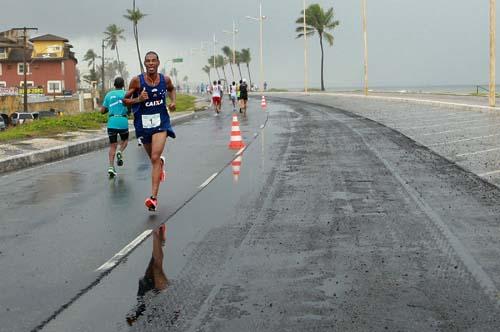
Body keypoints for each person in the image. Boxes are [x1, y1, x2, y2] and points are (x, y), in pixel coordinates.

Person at [123, 51, 176, 212]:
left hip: (161, 122)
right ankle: (160, 164)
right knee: (153, 160)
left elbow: (172, 89)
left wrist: (173, 101)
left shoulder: (165, 80)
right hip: (143, 123)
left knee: (154, 156)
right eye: (148, 61)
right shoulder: (136, 81)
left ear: (158, 62)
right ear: (145, 64)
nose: (151, 63)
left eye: (154, 61)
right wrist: (138, 99)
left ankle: (153, 198)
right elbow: (125, 100)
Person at [100, 77, 129, 178]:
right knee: (125, 141)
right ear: (123, 85)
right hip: (123, 121)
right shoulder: (127, 94)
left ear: (114, 85)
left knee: (112, 145)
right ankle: (120, 152)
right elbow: (129, 108)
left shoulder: (109, 95)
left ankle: (111, 167)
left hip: (111, 122)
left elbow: (102, 111)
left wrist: (110, 108)